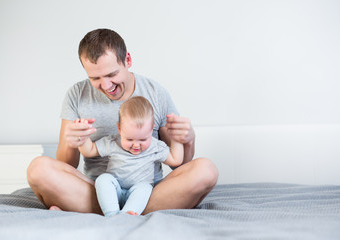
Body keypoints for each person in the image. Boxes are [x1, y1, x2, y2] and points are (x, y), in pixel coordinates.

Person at [27, 28, 218, 215]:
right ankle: (123, 212)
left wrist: (188, 140)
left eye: (112, 75)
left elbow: (178, 165)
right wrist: (72, 142)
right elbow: (66, 166)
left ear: (128, 60)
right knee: (38, 169)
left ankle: (102, 211)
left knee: (206, 170)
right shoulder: (76, 95)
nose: (106, 86)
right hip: (97, 188)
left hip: (148, 191)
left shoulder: (155, 93)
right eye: (95, 78)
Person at [77, 96, 183, 216]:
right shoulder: (113, 142)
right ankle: (111, 214)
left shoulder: (155, 147)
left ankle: (126, 214)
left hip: (138, 195)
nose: (136, 145)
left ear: (151, 129)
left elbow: (176, 160)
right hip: (115, 191)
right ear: (119, 129)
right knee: (103, 179)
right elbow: (89, 151)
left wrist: (176, 138)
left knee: (145, 188)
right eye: (129, 139)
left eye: (143, 139)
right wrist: (83, 138)